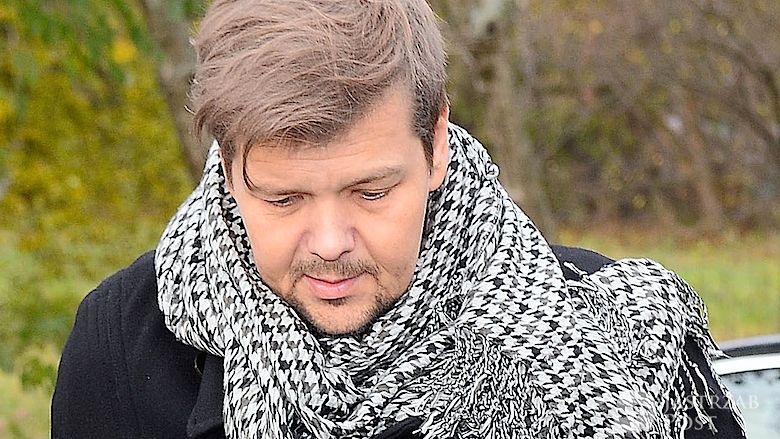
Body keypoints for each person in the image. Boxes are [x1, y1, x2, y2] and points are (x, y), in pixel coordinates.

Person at [51, 1, 746, 438]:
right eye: (284, 199)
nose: (330, 244)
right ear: (230, 168)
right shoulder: (122, 349)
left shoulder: (618, 336)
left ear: (435, 142)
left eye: (371, 192)